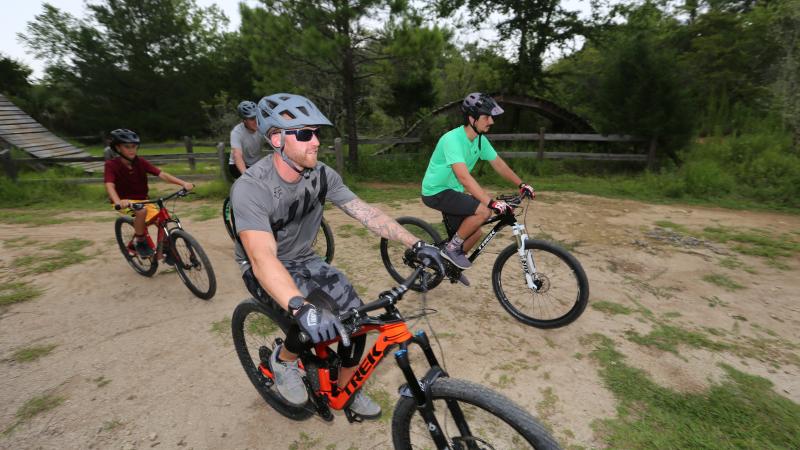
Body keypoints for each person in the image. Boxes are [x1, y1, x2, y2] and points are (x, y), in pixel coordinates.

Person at [230, 93, 442, 419]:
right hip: (265, 268)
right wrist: (300, 306)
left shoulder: (322, 175)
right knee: (307, 320)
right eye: (304, 134)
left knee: (353, 321)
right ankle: (283, 360)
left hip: (305, 258)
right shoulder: (251, 188)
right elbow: (263, 259)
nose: (316, 141)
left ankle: (346, 390)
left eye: (316, 132)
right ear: (276, 139)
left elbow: (365, 212)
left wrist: (416, 244)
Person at [420, 93, 535, 285]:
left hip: (452, 191)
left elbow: (498, 164)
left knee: (475, 233)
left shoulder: (480, 140)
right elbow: (464, 177)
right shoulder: (452, 140)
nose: (491, 121)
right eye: (487, 117)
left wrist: (521, 184)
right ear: (472, 118)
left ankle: (450, 266)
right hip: (436, 191)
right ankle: (451, 249)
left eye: (492, 117)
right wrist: (490, 202)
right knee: (483, 211)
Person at [104, 128, 195, 258]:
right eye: (127, 147)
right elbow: (110, 185)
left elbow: (162, 175)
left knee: (162, 220)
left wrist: (183, 183)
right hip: (124, 202)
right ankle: (140, 241)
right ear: (118, 148)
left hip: (144, 200)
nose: (132, 150)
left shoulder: (140, 162)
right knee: (141, 212)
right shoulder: (111, 165)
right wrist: (118, 201)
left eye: (134, 146)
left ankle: (162, 251)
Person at [228, 100, 266, 179]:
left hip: (255, 164)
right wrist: (246, 176)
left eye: (257, 117)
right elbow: (237, 155)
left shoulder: (263, 127)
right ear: (244, 120)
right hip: (237, 165)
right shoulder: (237, 132)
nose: (256, 121)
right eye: (252, 119)